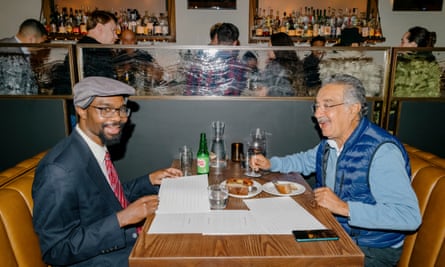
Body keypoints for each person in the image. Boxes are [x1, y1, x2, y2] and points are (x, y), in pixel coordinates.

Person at [251, 74, 421, 267]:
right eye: (317, 106)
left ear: (354, 109)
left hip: (370, 250)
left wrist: (343, 207)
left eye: (328, 105)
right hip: (335, 230)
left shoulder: (382, 152)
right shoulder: (331, 142)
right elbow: (305, 160)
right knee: (275, 238)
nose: (317, 114)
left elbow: (409, 217)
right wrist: (271, 164)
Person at [32, 76, 182, 266]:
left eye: (120, 109)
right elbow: (56, 251)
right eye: (105, 109)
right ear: (81, 110)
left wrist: (149, 180)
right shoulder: (58, 172)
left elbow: (105, 199)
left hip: (121, 246)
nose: (117, 118)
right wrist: (121, 219)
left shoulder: (93, 148)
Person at [53, 10, 119, 95]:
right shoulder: (98, 50)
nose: (116, 36)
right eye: (113, 30)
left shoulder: (78, 46)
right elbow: (107, 87)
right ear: (99, 28)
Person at [184, 22, 248, 96]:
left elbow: (189, 88)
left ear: (216, 38)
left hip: (200, 106)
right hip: (228, 106)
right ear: (235, 43)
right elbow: (238, 93)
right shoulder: (239, 67)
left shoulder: (199, 61)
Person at [0, 19, 47, 95]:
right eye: (41, 43)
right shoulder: (9, 53)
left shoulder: (10, 46)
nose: (42, 47)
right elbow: (13, 92)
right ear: (32, 39)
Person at [394, 26, 440, 97]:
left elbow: (433, 93)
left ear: (414, 44)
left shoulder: (430, 64)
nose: (399, 45)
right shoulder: (398, 62)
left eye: (403, 42)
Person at [257, 32, 304, 96]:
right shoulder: (295, 64)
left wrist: (266, 91)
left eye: (269, 47)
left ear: (277, 49)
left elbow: (281, 92)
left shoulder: (275, 66)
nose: (267, 50)